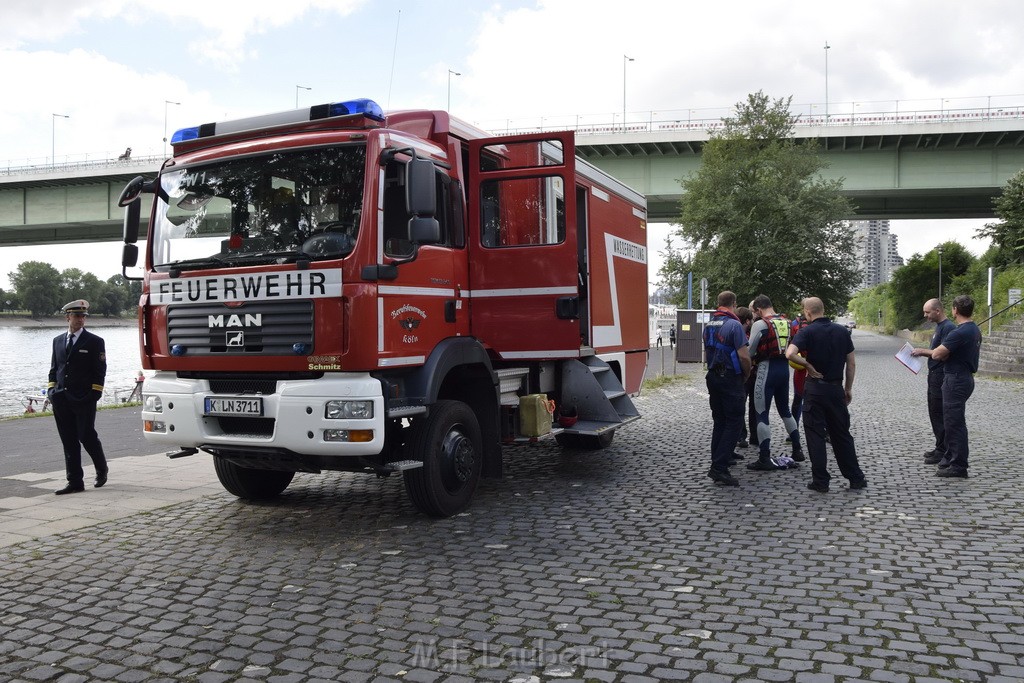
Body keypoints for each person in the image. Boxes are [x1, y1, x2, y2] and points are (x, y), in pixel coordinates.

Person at [785, 296, 867, 492]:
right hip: (835, 388)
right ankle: (855, 478)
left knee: (815, 435)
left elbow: (789, 354)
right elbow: (851, 363)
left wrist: (807, 365)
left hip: (814, 389)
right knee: (841, 434)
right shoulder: (842, 331)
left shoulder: (807, 331)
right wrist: (848, 388)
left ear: (808, 312)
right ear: (823, 309)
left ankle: (821, 481)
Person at [47, 299, 108, 495]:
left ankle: (101, 469)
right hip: (61, 399)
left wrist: (94, 394)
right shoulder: (57, 341)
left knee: (86, 436)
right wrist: (51, 391)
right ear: (67, 317)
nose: (81, 319)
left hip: (84, 398)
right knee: (69, 440)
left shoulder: (94, 341)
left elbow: (100, 371)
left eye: (83, 316)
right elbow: (54, 369)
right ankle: (74, 481)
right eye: (77, 316)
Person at [746, 294, 803, 471]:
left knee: (761, 413)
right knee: (785, 410)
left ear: (758, 309)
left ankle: (764, 456)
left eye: (753, 312)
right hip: (784, 369)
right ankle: (797, 449)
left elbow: (750, 351)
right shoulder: (786, 322)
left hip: (766, 369)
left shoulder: (760, 324)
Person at [929, 295, 982, 478]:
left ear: (955, 310)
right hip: (964, 377)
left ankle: (959, 465)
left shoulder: (959, 332)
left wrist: (934, 352)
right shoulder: (973, 329)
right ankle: (950, 458)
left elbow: (937, 354)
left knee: (954, 423)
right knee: (952, 421)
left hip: (956, 379)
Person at [703, 291, 752, 486]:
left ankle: (720, 457)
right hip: (730, 378)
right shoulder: (734, 325)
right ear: (734, 303)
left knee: (720, 420)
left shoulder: (708, 325)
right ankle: (719, 468)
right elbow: (744, 357)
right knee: (734, 421)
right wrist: (746, 374)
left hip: (713, 376)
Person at [910, 299, 956, 465]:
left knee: (939, 413)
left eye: (927, 312)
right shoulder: (939, 327)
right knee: (934, 412)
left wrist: (923, 352)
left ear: (938, 311)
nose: (925, 315)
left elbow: (944, 353)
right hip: (934, 374)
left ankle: (944, 450)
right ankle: (939, 447)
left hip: (941, 375)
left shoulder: (949, 328)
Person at [735, 306, 756, 449]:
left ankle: (744, 436)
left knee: (743, 406)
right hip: (749, 374)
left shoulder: (737, 331)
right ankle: (748, 436)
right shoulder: (748, 333)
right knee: (751, 406)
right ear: (748, 320)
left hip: (743, 374)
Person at [788, 313, 808, 434]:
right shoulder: (819, 325)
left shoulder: (794, 324)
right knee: (819, 401)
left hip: (800, 366)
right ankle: (823, 430)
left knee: (798, 398)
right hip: (816, 366)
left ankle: (793, 430)